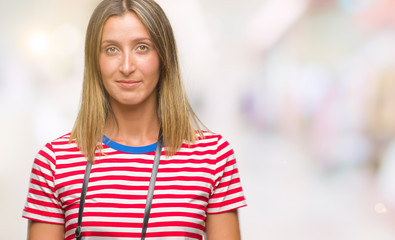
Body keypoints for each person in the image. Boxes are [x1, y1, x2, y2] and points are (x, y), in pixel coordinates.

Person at [22, 0, 247, 239]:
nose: (127, 66)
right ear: (94, 62)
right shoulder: (54, 163)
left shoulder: (213, 157)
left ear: (163, 57)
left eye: (142, 48)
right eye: (111, 49)